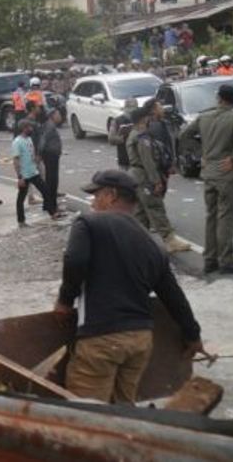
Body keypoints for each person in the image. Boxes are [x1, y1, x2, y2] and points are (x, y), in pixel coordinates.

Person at [55, 170, 204, 404]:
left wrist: (64, 300)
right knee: (123, 410)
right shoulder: (152, 242)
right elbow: (172, 295)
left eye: (96, 195)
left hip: (101, 338)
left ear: (111, 195)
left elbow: (75, 260)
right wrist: (192, 334)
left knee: (89, 416)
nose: (93, 202)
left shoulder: (88, 223)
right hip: (139, 340)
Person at [180, 83, 233, 274]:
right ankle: (226, 260)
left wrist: (200, 154)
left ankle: (210, 259)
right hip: (227, 174)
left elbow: (184, 135)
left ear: (219, 98)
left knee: (211, 216)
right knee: (225, 216)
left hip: (209, 172)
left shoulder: (204, 116)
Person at [126, 102, 190, 253]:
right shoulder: (142, 137)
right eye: (147, 118)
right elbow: (148, 161)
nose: (149, 120)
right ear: (143, 119)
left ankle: (137, 243)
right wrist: (156, 181)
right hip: (144, 176)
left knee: (141, 212)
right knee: (155, 207)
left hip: (136, 175)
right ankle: (170, 240)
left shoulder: (134, 134)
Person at [12, 119, 49, 226]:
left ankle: (52, 212)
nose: (31, 129)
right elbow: (16, 160)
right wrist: (20, 177)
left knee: (45, 191)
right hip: (25, 175)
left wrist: (36, 159)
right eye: (29, 127)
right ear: (24, 128)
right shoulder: (17, 142)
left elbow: (30, 154)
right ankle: (21, 221)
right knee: (21, 198)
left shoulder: (29, 139)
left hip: (33, 172)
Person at [38, 109, 66, 218]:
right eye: (58, 114)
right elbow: (43, 140)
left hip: (51, 155)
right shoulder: (50, 126)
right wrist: (39, 153)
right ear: (52, 116)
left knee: (51, 181)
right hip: (50, 156)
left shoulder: (50, 126)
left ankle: (47, 205)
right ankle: (52, 208)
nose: (60, 116)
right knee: (52, 182)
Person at [107, 100, 137, 171]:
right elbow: (111, 139)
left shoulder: (139, 119)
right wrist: (123, 137)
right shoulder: (117, 121)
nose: (131, 113)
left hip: (137, 160)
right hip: (124, 159)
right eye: (129, 110)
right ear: (125, 109)